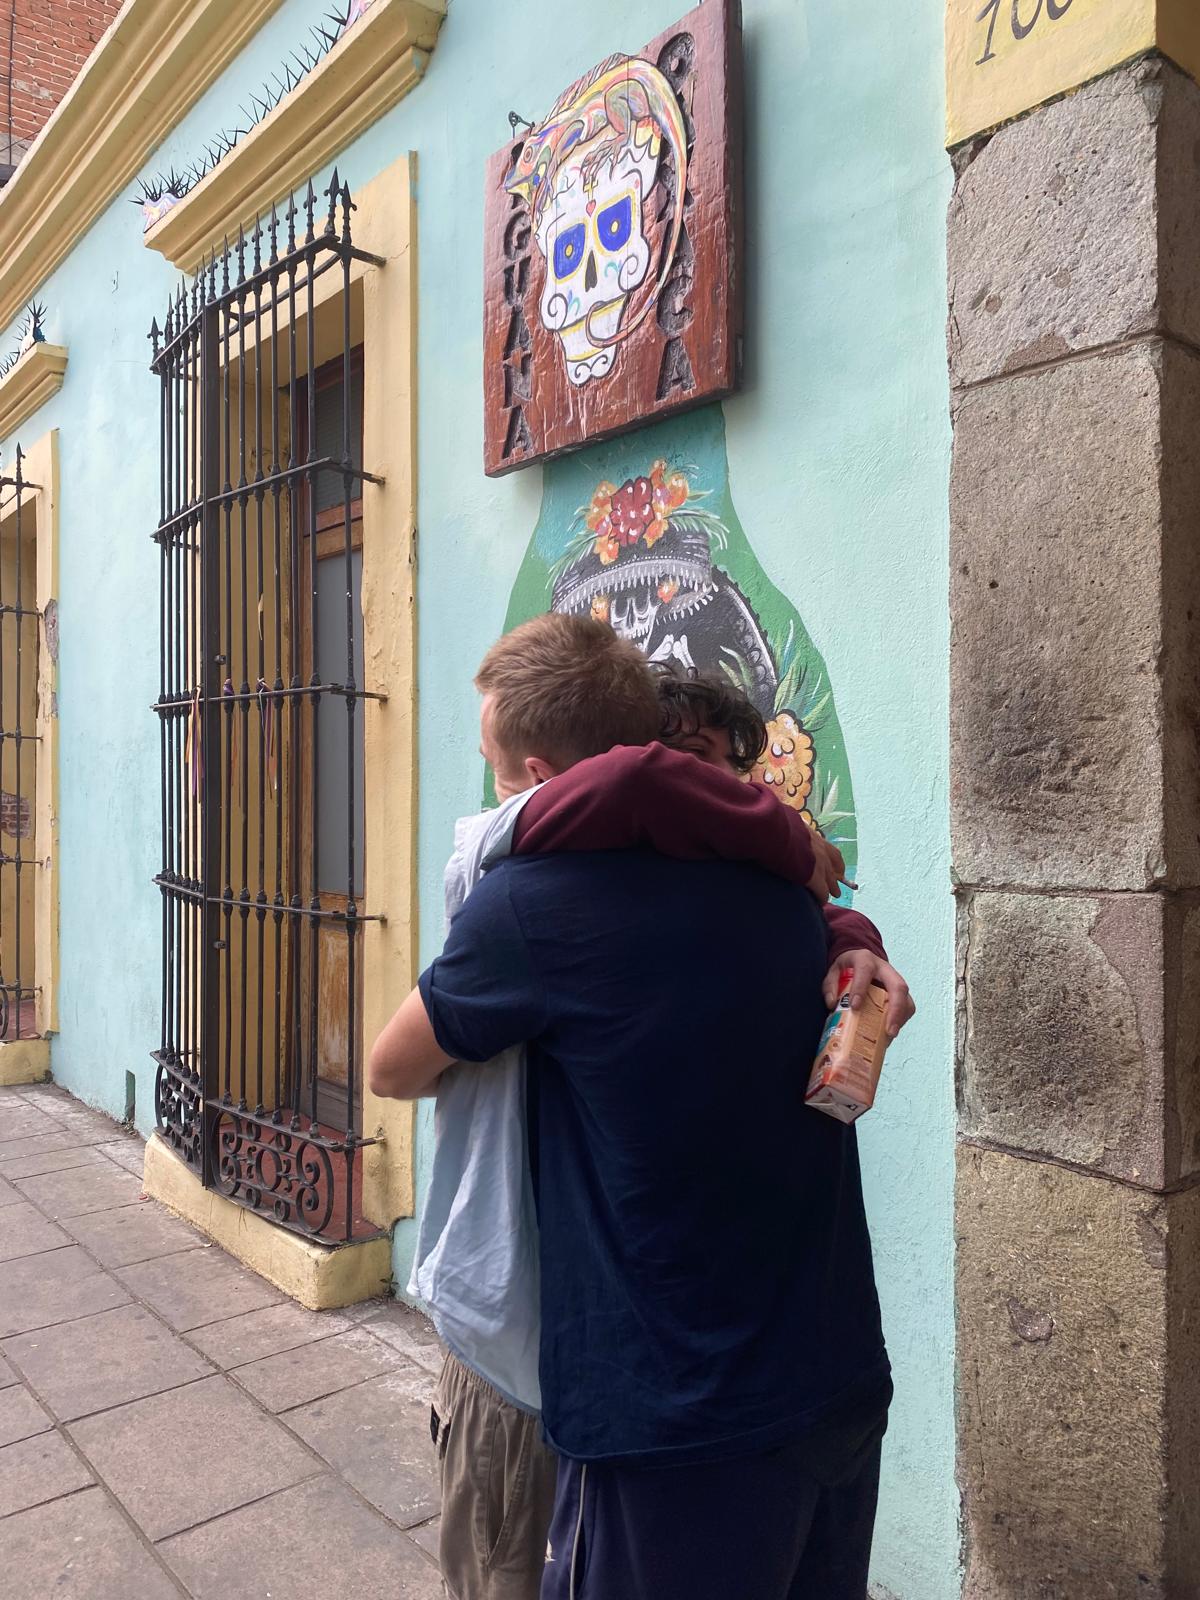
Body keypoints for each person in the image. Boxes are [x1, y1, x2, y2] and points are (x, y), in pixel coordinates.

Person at [373, 615, 907, 1600]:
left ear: (537, 771)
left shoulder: (528, 905)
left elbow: (389, 1068)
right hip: (831, 1381)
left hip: (671, 1425)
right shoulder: (794, 899)